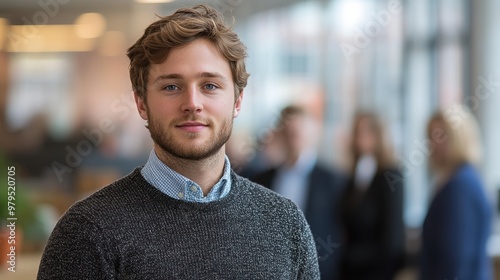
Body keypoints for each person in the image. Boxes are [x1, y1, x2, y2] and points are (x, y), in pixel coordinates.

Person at [37, 5, 320, 279]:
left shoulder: (285, 224)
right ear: (141, 103)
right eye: (171, 86)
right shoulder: (87, 232)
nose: (192, 103)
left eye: (210, 85)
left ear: (237, 101)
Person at [252, 105, 346, 280]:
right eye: (288, 133)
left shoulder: (333, 180)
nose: (293, 139)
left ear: (313, 134)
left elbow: (341, 230)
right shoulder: (262, 180)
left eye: (298, 133)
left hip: (321, 271)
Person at [420, 108, 492, 280]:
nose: (435, 143)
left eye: (442, 135)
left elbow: (458, 256)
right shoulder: (458, 179)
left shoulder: (461, 186)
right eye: (432, 136)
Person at [339, 112, 405, 280]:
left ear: (379, 135)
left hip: (376, 272)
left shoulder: (391, 176)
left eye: (367, 131)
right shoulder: (354, 175)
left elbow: (392, 239)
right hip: (350, 271)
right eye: (357, 131)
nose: (360, 137)